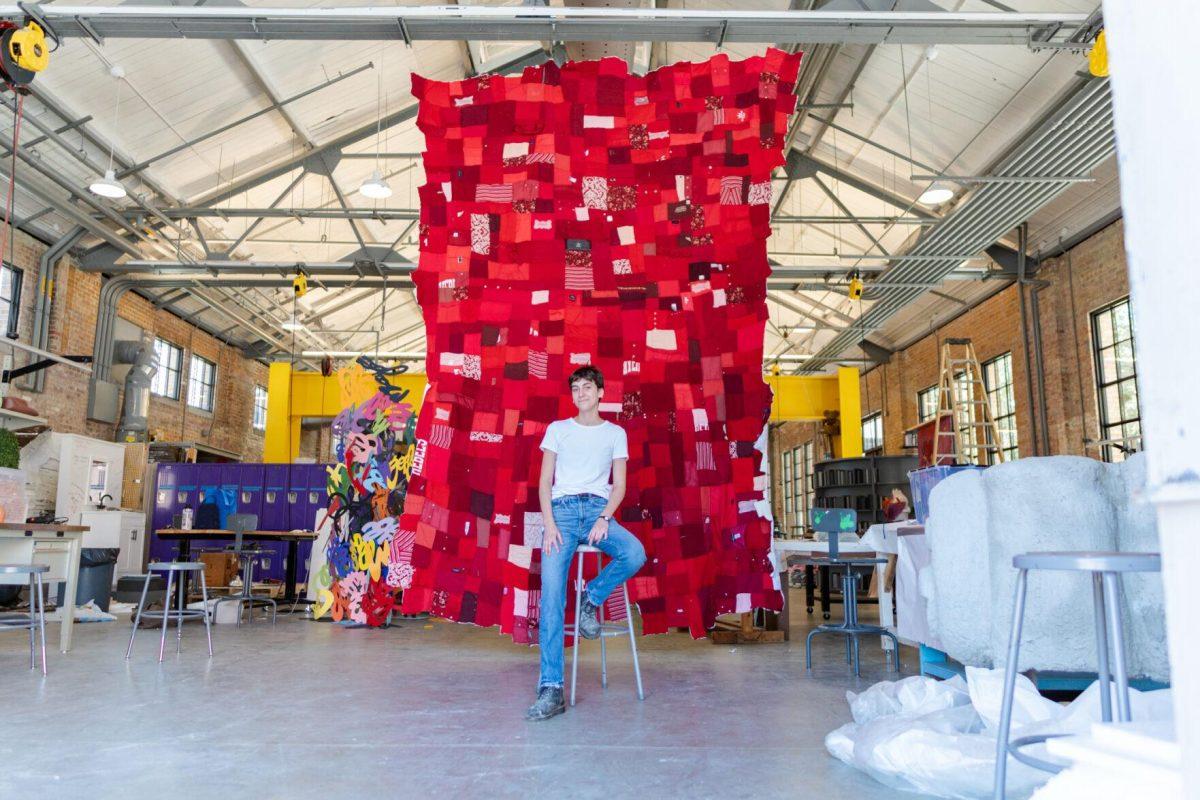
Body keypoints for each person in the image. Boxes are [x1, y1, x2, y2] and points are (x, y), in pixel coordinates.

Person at [525, 365, 647, 721]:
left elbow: (619, 485)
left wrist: (604, 517)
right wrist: (548, 524)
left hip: (597, 509)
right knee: (550, 596)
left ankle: (591, 599)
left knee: (634, 552)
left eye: (588, 387)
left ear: (600, 393)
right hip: (561, 513)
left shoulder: (615, 433)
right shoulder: (558, 430)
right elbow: (544, 482)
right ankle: (551, 689)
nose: (581, 393)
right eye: (576, 388)